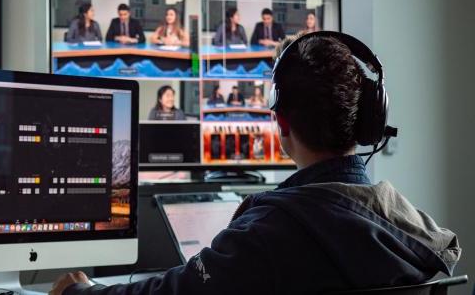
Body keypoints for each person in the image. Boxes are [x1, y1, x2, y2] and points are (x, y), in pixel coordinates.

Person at [50, 34, 460, 294]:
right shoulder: (411, 229)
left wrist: (81, 292)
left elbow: (175, 292)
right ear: (368, 122)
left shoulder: (273, 232)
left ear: (280, 122)